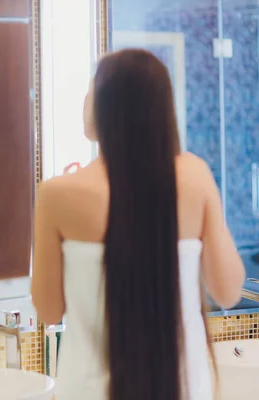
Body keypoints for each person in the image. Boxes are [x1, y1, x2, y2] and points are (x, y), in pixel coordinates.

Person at [31, 49, 245, 399]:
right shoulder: (194, 177)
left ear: (104, 105)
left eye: (91, 91)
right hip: (183, 388)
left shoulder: (58, 194)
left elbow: (48, 310)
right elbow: (228, 290)